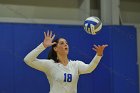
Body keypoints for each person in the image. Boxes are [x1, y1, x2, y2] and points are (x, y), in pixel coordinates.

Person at [24, 31, 108, 93]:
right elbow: (27, 60)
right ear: (55, 48)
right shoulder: (50, 64)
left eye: (66, 43)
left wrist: (98, 55)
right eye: (62, 43)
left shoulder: (76, 65)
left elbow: (89, 68)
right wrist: (43, 46)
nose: (65, 45)